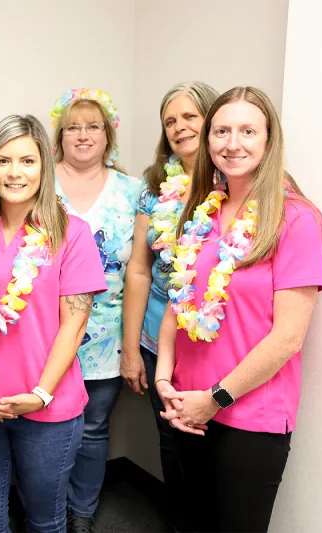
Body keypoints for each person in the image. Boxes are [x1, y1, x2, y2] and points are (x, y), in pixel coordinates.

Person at [155, 86, 322, 533]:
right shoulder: (201, 214)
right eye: (222, 131)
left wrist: (215, 399)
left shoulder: (296, 219)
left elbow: (289, 336)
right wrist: (163, 378)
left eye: (248, 131)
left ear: (269, 140)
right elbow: (179, 303)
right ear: (208, 140)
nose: (233, 143)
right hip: (186, 408)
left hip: (249, 415)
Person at [0, 114, 107, 533]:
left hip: (48, 407)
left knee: (45, 520)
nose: (14, 172)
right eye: (3, 161)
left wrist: (40, 393)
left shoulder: (73, 234)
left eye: (27, 161)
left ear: (43, 167)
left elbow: (73, 327)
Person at [121, 81, 218, 533]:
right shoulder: (154, 185)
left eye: (189, 117)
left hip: (217, 341)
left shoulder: (237, 179)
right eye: (170, 121)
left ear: (212, 118)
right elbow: (139, 270)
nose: (179, 127)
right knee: (174, 447)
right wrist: (129, 349)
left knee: (220, 454)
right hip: (159, 340)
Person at [50, 88, 142, 532]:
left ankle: (81, 512)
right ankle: (44, 510)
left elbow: (143, 270)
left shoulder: (133, 192)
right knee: (42, 430)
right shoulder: (35, 182)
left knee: (91, 430)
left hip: (107, 337)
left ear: (108, 137)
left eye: (93, 127)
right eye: (73, 127)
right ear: (59, 136)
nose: (83, 135)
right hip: (43, 334)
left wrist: (132, 348)